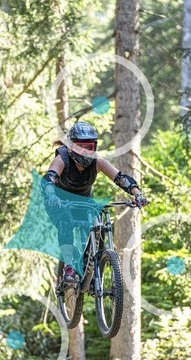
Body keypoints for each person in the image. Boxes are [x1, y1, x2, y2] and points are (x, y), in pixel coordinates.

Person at [42, 121, 149, 283]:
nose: (86, 151)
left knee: (99, 224)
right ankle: (69, 266)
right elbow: (49, 179)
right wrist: (51, 195)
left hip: (84, 202)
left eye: (90, 147)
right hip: (58, 202)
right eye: (80, 147)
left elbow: (120, 178)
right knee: (65, 221)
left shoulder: (97, 162)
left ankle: (95, 268)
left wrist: (137, 194)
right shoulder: (62, 160)